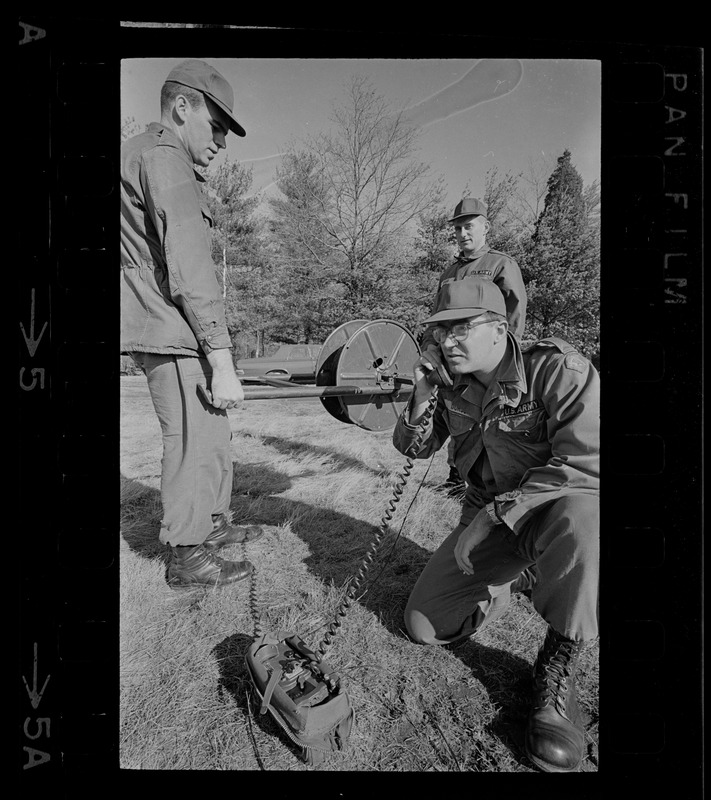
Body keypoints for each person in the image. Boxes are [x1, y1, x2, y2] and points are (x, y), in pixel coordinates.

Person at [393, 276, 599, 773]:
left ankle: (559, 667)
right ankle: (514, 578)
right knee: (423, 626)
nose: (447, 341)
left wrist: (492, 514)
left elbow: (589, 463)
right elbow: (414, 448)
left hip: (550, 511)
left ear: (499, 328)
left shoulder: (555, 369)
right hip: (491, 523)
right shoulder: (451, 383)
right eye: (440, 332)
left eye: (461, 328)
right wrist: (423, 393)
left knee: (588, 520)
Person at [121, 59, 264, 589]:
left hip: (173, 327)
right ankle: (187, 554)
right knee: (189, 438)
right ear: (183, 108)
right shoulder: (165, 157)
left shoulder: (146, 154)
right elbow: (190, 265)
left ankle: (212, 524)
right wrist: (222, 357)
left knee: (210, 432)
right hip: (170, 327)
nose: (222, 142)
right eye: (217, 125)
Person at [422, 197, 528, 497]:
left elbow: (513, 316)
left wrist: (501, 363)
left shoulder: (500, 264)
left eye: (469, 226)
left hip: (488, 367)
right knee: (458, 420)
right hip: (453, 361)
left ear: (486, 227)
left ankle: (498, 483)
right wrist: (430, 351)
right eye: (457, 228)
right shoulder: (448, 274)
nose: (462, 234)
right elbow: (437, 321)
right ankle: (458, 476)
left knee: (491, 423)